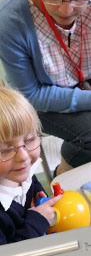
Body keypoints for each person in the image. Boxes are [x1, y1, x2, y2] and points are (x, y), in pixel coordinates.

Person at [0, 0, 91, 175]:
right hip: (42, 96)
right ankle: (63, 172)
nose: (66, 10)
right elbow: (32, 94)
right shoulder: (10, 21)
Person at [0, 86, 61, 245]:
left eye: (29, 140)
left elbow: (31, 181)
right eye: (5, 150)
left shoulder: (17, 171)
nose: (23, 156)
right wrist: (36, 222)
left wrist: (38, 192)